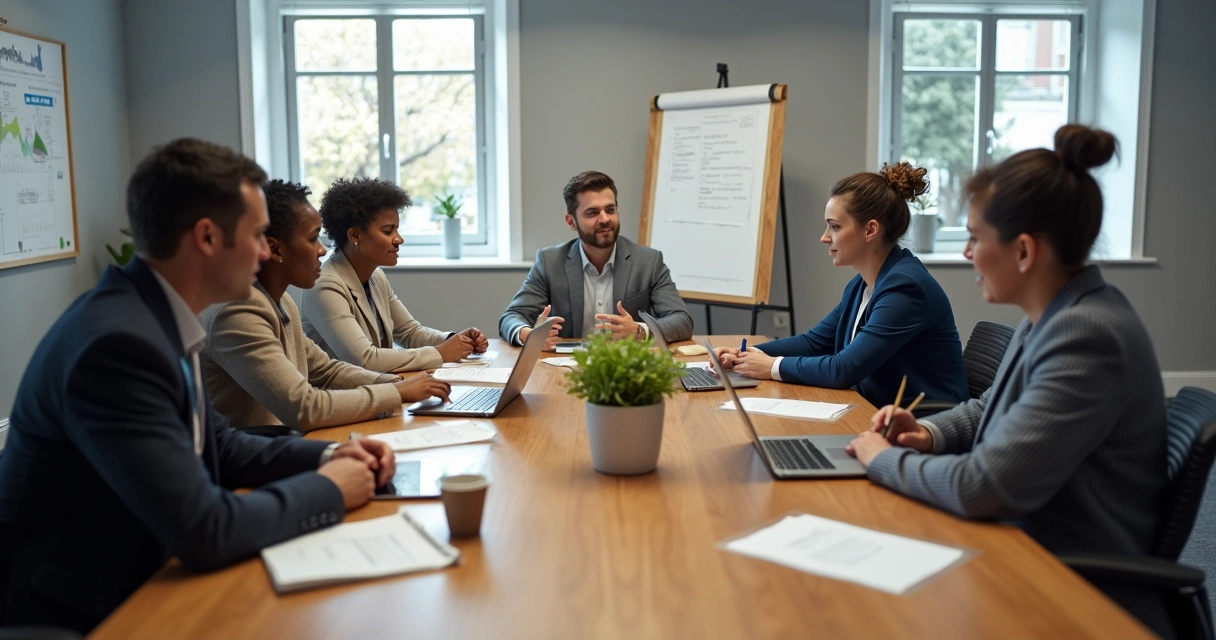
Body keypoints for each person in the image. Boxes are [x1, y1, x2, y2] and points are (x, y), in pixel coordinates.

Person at [0, 139, 397, 633]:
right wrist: (328, 491)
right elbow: (205, 529)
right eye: (256, 235)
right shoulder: (118, 345)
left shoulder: (150, 314)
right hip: (88, 608)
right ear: (207, 238)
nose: (264, 250)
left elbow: (219, 446)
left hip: (147, 571)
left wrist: (325, 458)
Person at [845, 126, 1169, 635]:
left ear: (1023, 252)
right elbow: (990, 406)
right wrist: (927, 432)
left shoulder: (1088, 336)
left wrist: (885, 459)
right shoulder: (1053, 316)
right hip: (1019, 546)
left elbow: (981, 487)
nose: (969, 253)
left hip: (1062, 585)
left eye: (975, 238)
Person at [200, 179, 452, 432]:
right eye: (312, 240)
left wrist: (395, 382)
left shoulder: (281, 300)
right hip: (251, 455)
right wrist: (396, 392)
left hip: (280, 442)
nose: (321, 250)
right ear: (275, 250)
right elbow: (303, 408)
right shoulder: (236, 312)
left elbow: (325, 371)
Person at [713, 162, 967, 407]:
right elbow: (814, 343)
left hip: (925, 425)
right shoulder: (863, 285)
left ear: (870, 230)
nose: (824, 237)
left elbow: (845, 368)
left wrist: (771, 367)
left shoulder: (905, 289)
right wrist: (744, 355)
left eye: (834, 226)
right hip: (876, 411)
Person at [300, 177, 488, 373]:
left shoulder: (375, 276)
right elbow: (365, 360)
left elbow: (409, 333)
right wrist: (441, 353)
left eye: (397, 229)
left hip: (377, 388)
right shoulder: (324, 285)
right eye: (388, 231)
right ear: (355, 235)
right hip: (341, 398)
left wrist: (454, 341)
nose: (399, 239)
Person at [498, 171, 693, 350]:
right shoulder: (550, 262)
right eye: (592, 213)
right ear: (571, 222)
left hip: (627, 366)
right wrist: (527, 334)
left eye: (610, 210)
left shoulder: (648, 262)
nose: (604, 219)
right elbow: (512, 317)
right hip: (566, 366)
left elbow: (681, 320)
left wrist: (640, 331)